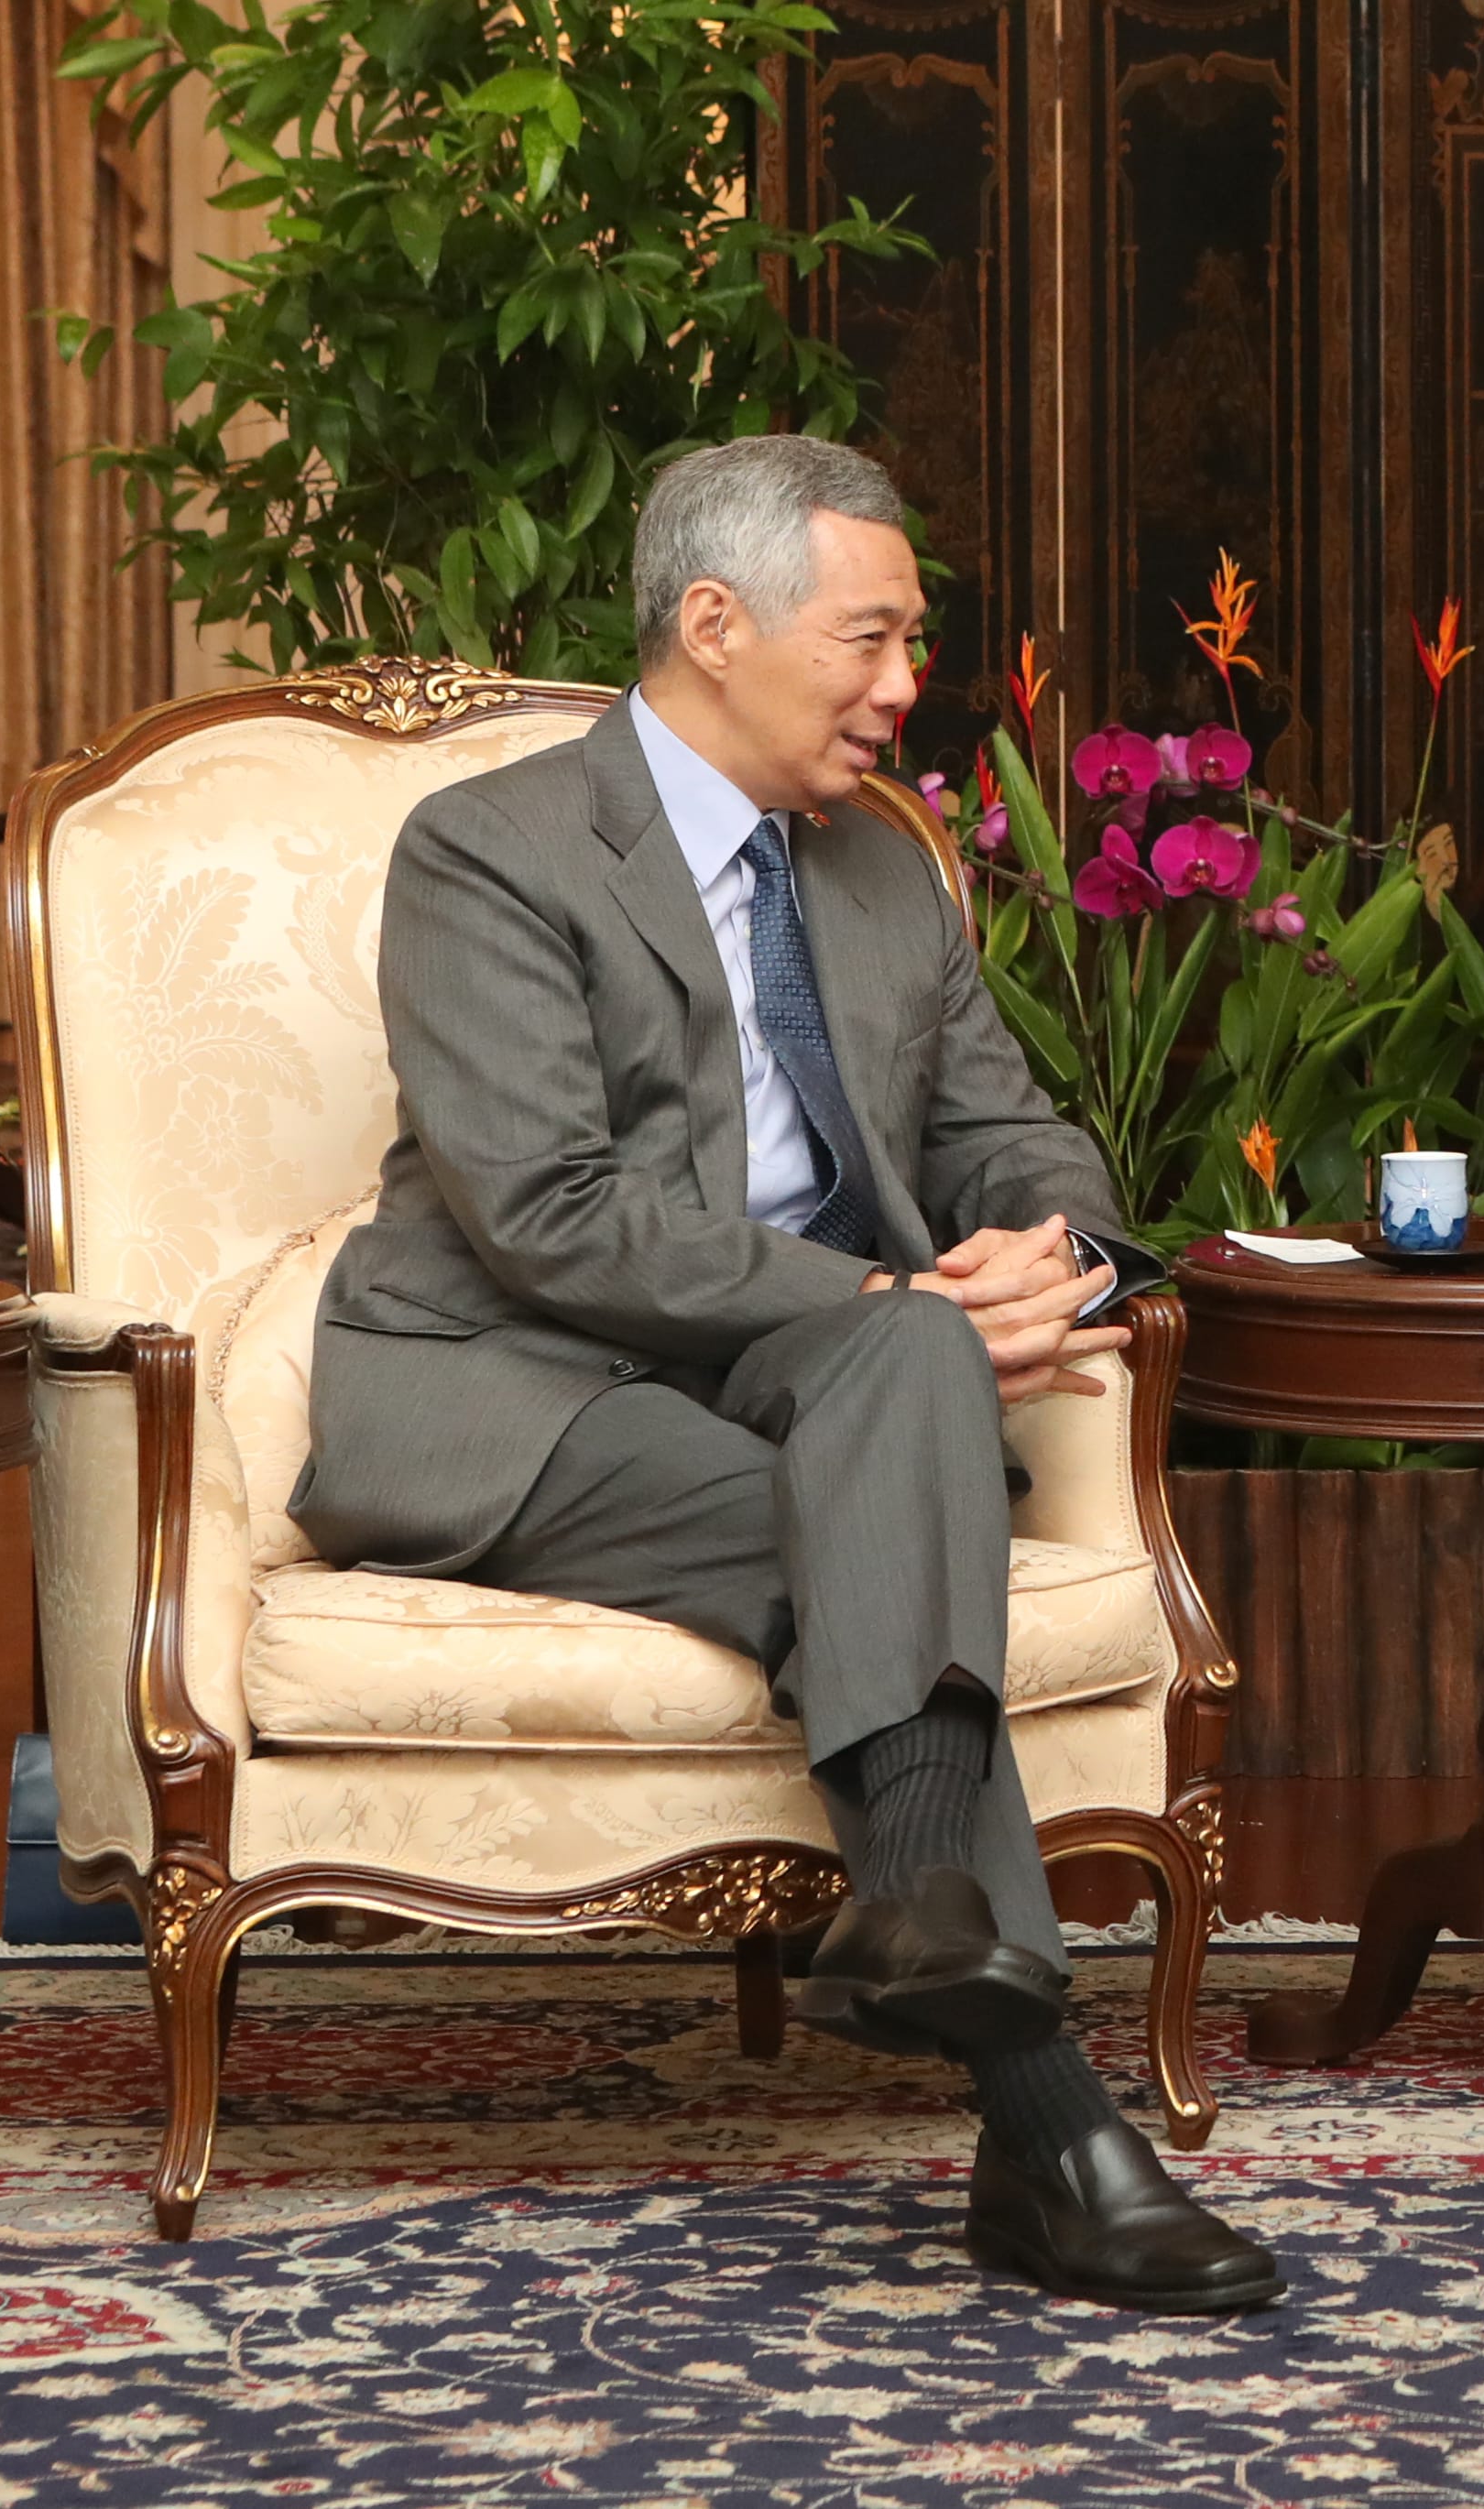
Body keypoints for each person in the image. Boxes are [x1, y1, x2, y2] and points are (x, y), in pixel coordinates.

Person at [289, 433, 1279, 2316]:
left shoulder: (887, 879)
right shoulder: (492, 850)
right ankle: (1056, 2127)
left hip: (822, 1388)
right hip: (525, 1388)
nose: (909, 686)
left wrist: (1050, 1249)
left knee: (901, 1351)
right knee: (895, 1377)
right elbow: (554, 1214)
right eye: (874, 638)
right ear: (715, 621)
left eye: (916, 642)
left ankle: (912, 1912)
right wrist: (897, 1289)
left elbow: (1024, 1133)